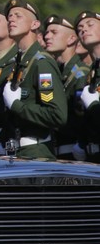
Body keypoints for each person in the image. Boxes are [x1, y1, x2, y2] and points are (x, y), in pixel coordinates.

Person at [0, 0, 66, 159]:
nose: (11, 19)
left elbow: (57, 115)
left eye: (18, 16)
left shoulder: (41, 63)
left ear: (34, 24)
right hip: (15, 153)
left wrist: (17, 106)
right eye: (10, 17)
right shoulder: (19, 64)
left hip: (36, 154)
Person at [42, 14, 89, 160]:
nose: (47, 36)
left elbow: (81, 121)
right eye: (47, 32)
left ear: (71, 39)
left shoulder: (80, 74)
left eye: (54, 32)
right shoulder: (60, 72)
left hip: (73, 155)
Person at [75, 10, 100, 161]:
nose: (84, 29)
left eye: (90, 24)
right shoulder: (92, 73)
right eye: (79, 29)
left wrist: (93, 106)